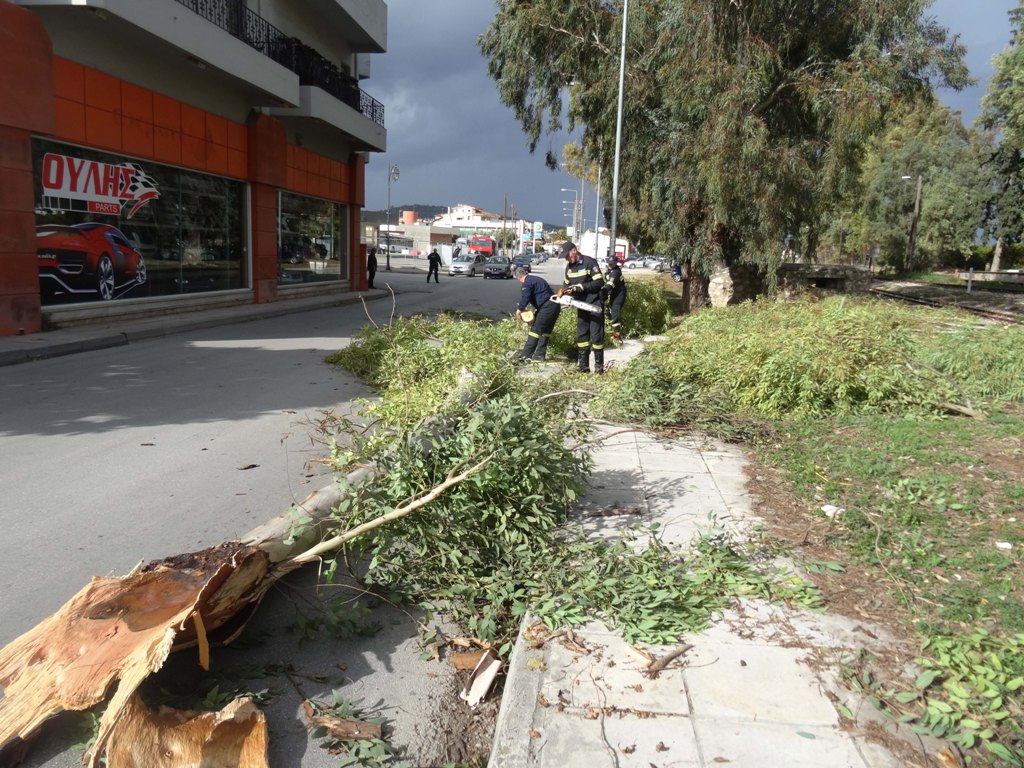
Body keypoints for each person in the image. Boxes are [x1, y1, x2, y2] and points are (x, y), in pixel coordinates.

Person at [558, 241, 606, 373]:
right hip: (581, 304)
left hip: (594, 302)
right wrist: (564, 292)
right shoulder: (569, 268)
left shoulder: (589, 262)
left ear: (574, 250)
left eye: (567, 255)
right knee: (582, 335)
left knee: (596, 335)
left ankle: (599, 368)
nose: (567, 258)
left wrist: (582, 286)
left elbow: (599, 282)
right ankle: (583, 366)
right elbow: (567, 285)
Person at [513, 266, 560, 360]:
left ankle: (525, 356)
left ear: (519, 278)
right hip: (555, 306)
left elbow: (525, 297)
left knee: (535, 330)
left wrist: (519, 310)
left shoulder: (527, 283)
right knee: (546, 331)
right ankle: (539, 355)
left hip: (547, 307)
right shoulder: (536, 279)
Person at [603, 255, 627, 342]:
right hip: (614, 294)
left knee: (615, 315)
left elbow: (610, 284)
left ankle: (617, 336)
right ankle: (615, 331)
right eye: (609, 263)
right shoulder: (610, 270)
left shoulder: (615, 272)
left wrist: (602, 292)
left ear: (616, 263)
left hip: (619, 296)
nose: (610, 265)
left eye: (612, 264)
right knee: (607, 311)